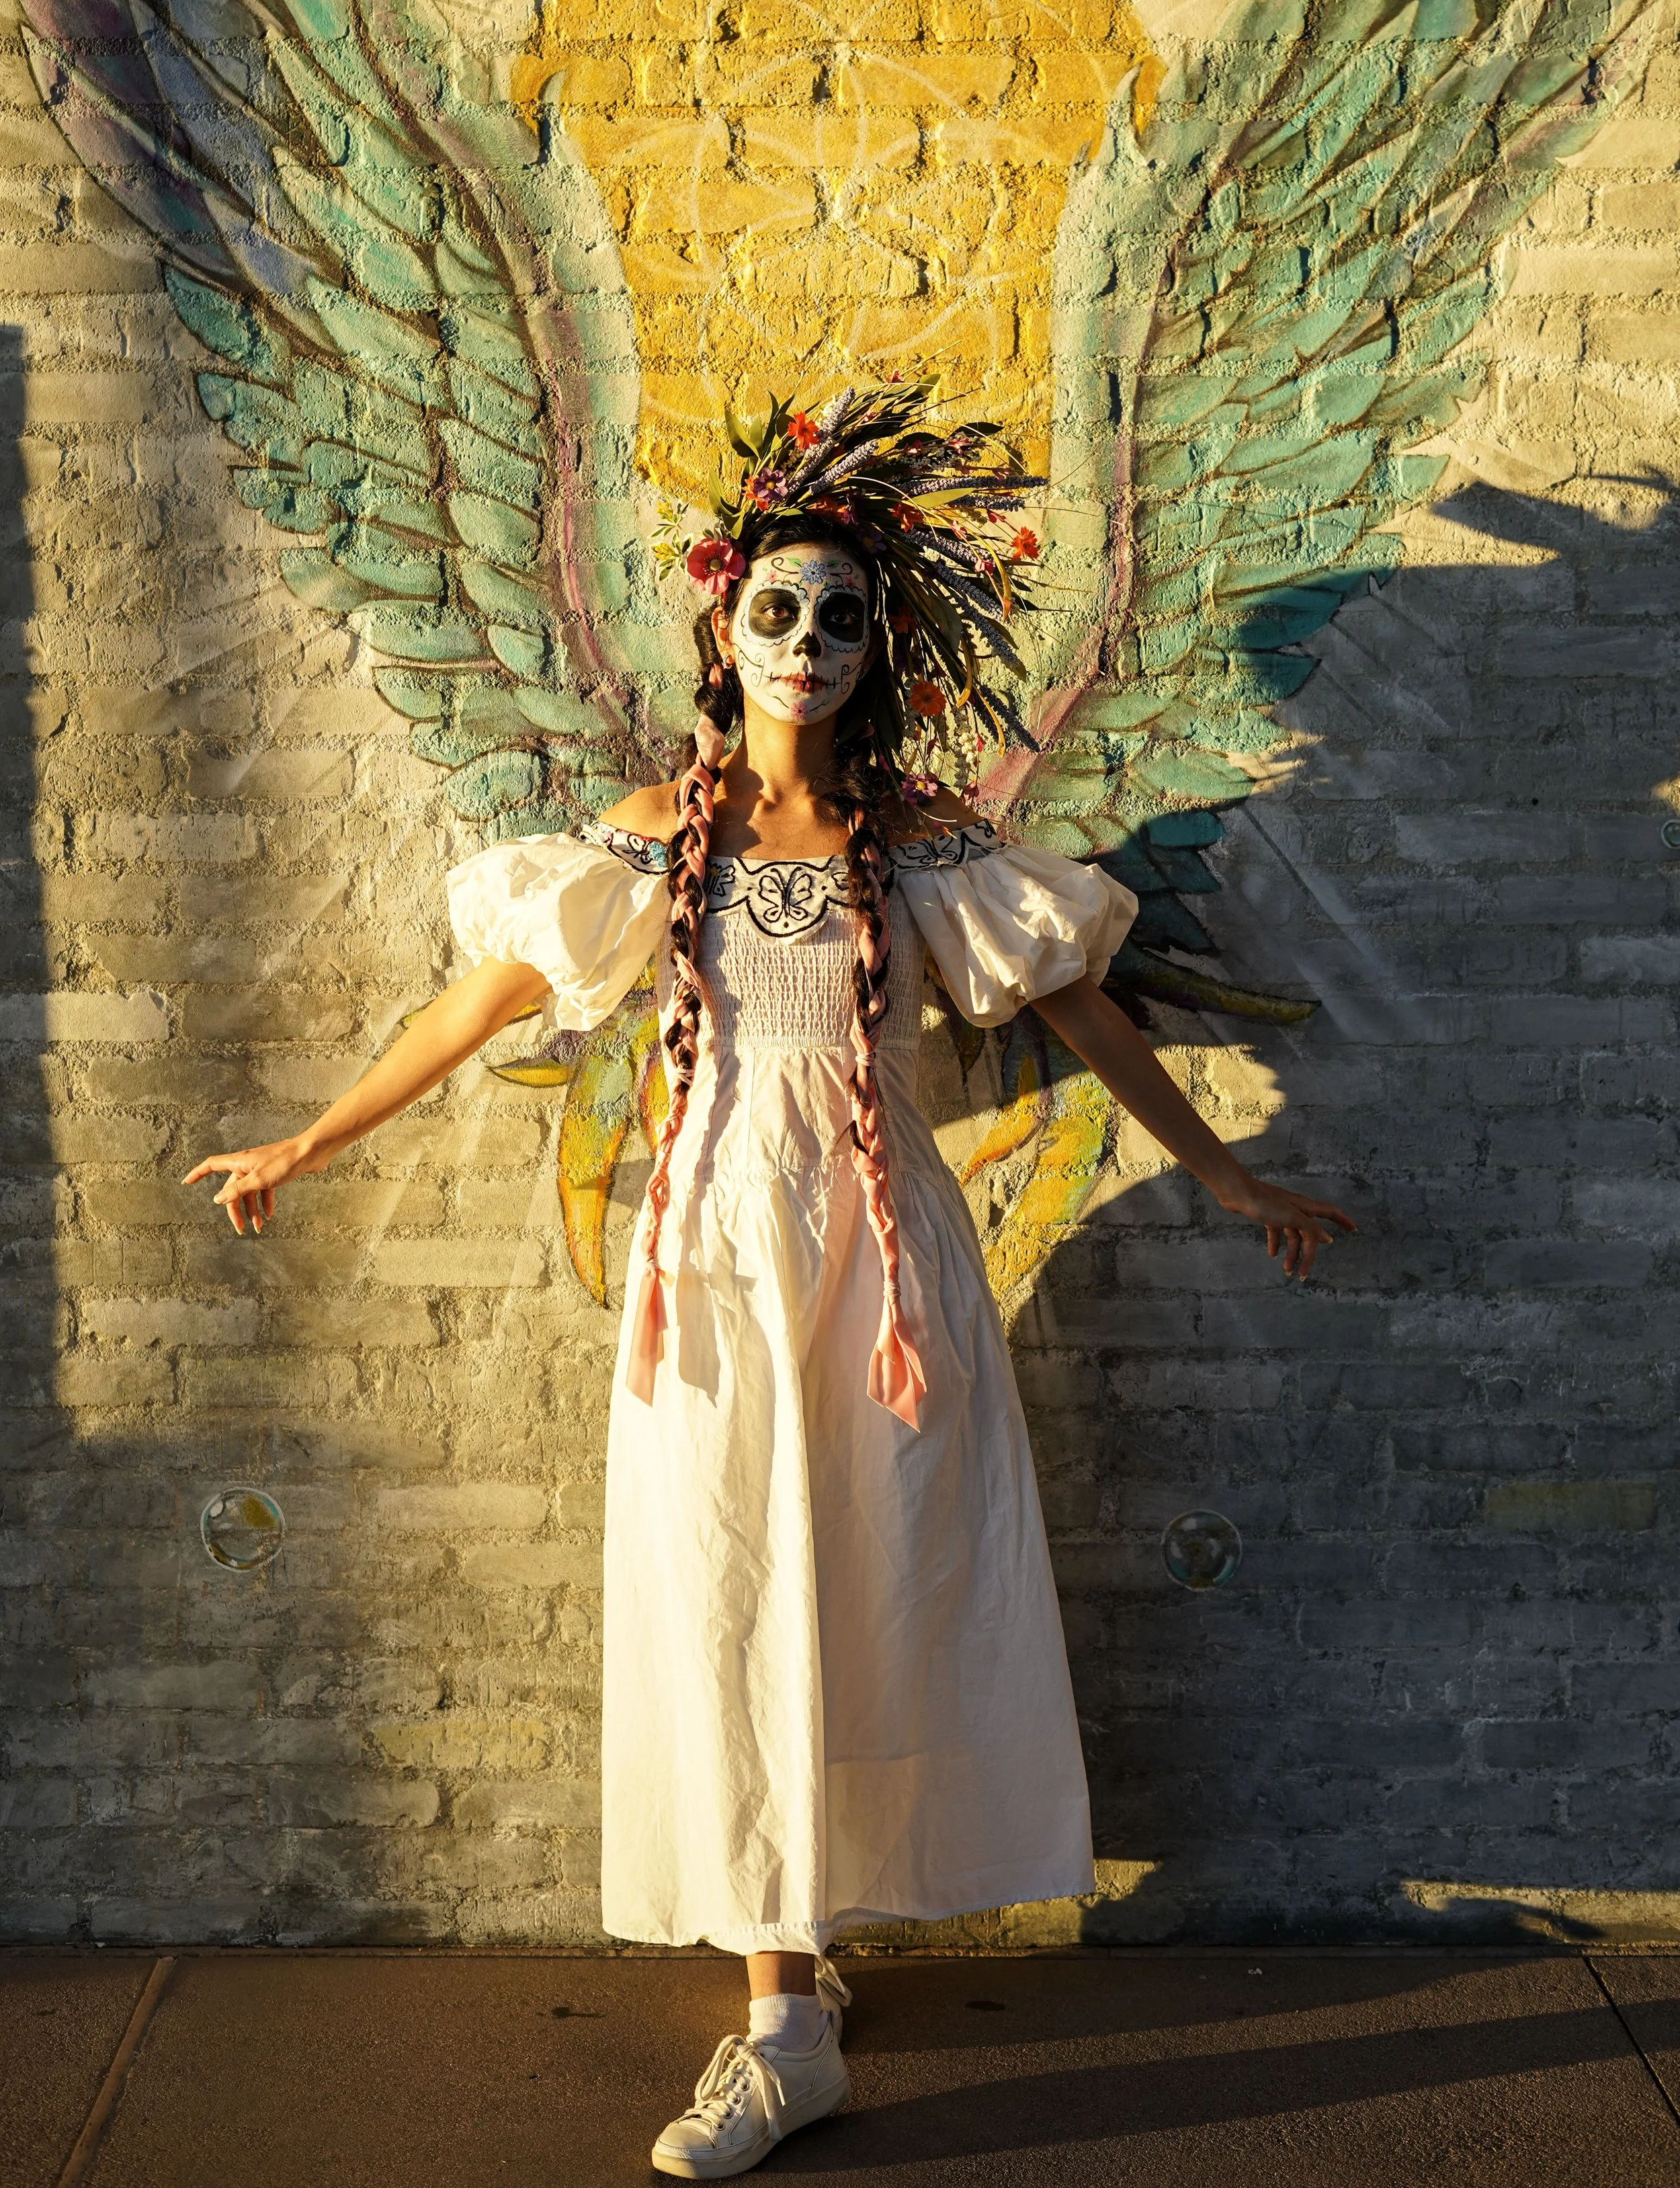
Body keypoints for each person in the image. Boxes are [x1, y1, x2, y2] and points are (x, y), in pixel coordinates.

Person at [186, 387, 1354, 2180]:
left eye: (840, 617)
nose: (807, 642)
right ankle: (780, 2001)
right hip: (713, 1270)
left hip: (879, 1280)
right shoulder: (666, 838)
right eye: (775, 612)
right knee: (732, 1592)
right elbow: (475, 1003)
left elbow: (1077, 1007)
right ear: (725, 634)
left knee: (869, 1585)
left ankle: (805, 1972)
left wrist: (1222, 1171)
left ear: (878, 646)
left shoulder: (916, 845)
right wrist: (302, 1144)